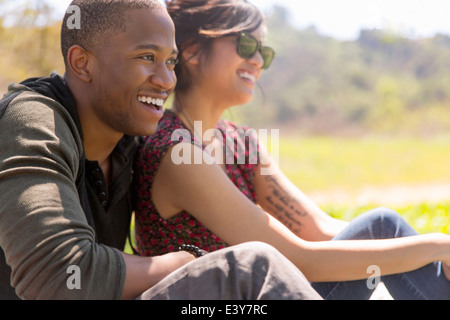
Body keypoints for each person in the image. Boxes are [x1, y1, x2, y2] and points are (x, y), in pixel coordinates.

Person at [0, 0, 322, 300]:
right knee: (249, 267)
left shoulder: (130, 135)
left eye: (171, 61)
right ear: (82, 63)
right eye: (147, 57)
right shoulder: (32, 121)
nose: (167, 80)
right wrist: (190, 260)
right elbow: (60, 274)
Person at [134, 0, 450, 299]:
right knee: (384, 227)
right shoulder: (177, 152)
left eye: (263, 51)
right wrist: (436, 245)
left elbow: (320, 230)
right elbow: (298, 258)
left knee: (383, 228)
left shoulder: (239, 142)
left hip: (269, 292)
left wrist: (422, 247)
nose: (257, 61)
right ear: (191, 51)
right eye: (246, 44)